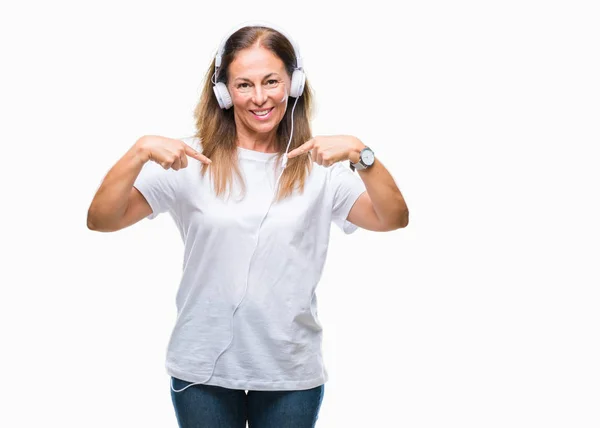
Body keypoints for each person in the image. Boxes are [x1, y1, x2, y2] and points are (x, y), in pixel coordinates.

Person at [87, 21, 409, 428]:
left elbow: (393, 218)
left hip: (289, 371)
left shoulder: (319, 165)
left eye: (271, 81)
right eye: (244, 85)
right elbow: (101, 219)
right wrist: (138, 152)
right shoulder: (190, 161)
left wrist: (363, 155)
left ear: (293, 84)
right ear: (223, 92)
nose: (260, 98)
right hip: (201, 368)